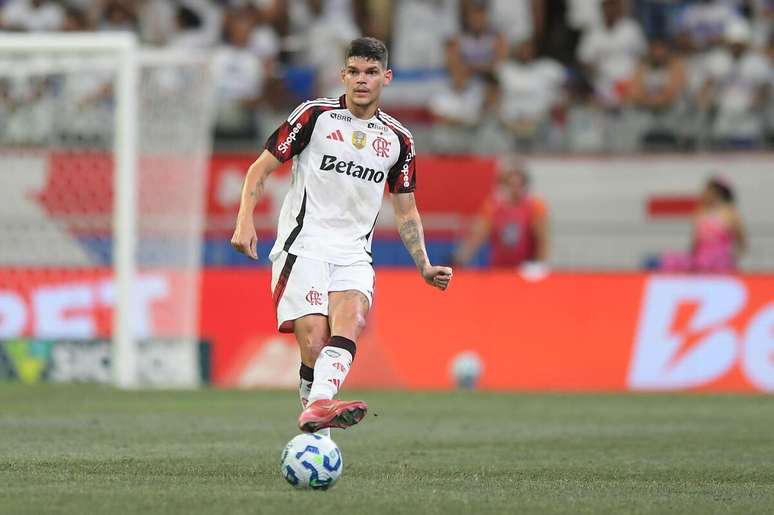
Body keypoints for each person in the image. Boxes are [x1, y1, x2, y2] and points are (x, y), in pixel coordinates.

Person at [230, 37, 453, 434]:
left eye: (370, 73)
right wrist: (244, 220)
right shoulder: (314, 116)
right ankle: (320, 422)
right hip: (303, 246)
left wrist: (424, 264)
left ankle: (317, 415)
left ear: (386, 78)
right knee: (314, 344)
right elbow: (259, 169)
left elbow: (406, 209)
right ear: (343, 75)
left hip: (353, 254)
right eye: (354, 72)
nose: (361, 80)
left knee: (350, 323)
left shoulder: (399, 140)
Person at [452, 157, 548, 269]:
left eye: (519, 185)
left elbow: (542, 241)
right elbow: (478, 237)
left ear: (525, 186)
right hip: (499, 268)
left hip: (525, 268)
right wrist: (461, 257)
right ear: (503, 185)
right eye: (511, 185)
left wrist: (540, 266)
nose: (515, 190)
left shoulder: (535, 207)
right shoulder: (492, 208)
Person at [660, 177, 747, 273]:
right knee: (669, 260)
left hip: (720, 260)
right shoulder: (700, 211)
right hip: (700, 258)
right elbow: (695, 240)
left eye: (708, 191)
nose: (704, 193)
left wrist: (732, 258)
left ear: (717, 193)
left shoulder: (730, 212)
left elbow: (742, 240)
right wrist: (692, 257)